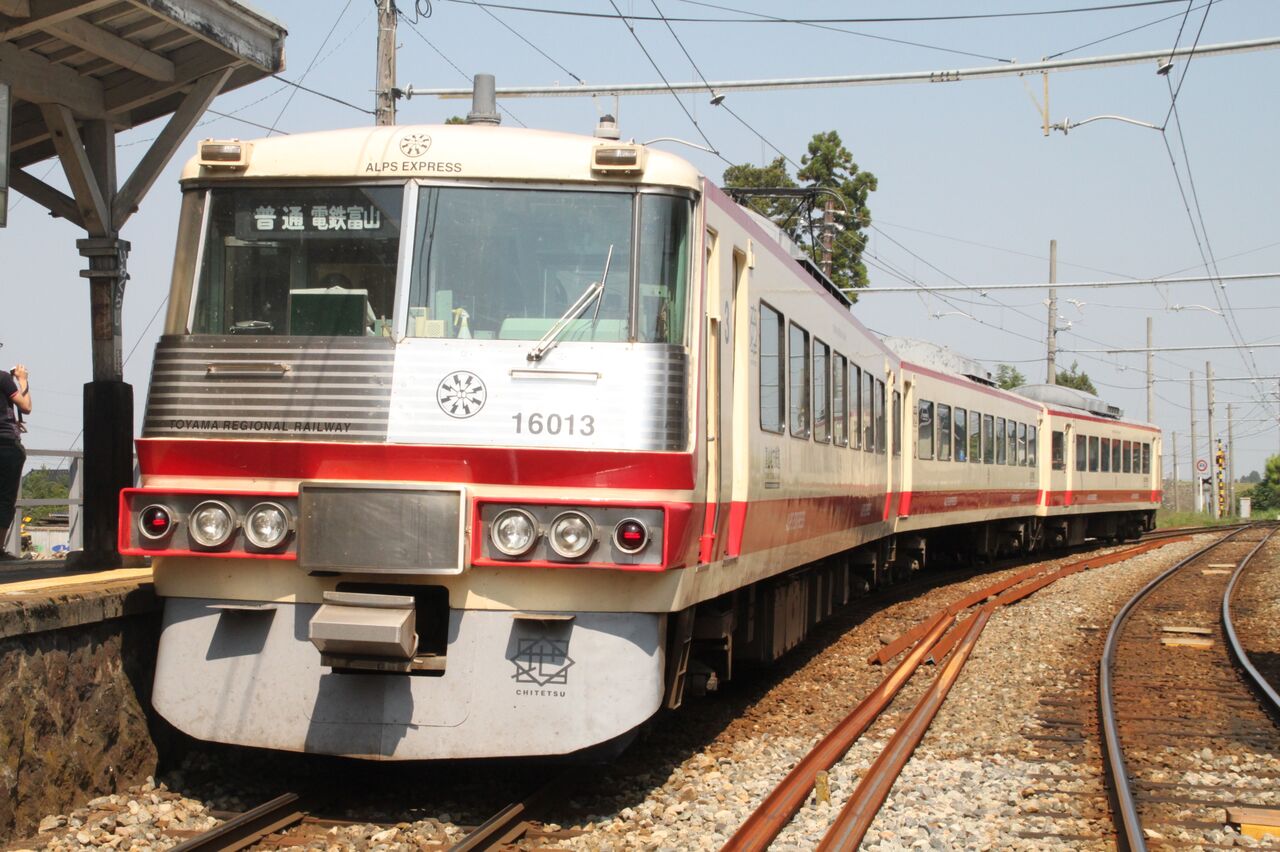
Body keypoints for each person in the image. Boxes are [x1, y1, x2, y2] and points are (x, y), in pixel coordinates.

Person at [0, 363, 31, 560]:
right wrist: (23, 380)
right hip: (5, 445)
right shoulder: (3, 378)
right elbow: (26, 406)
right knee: (4, 498)